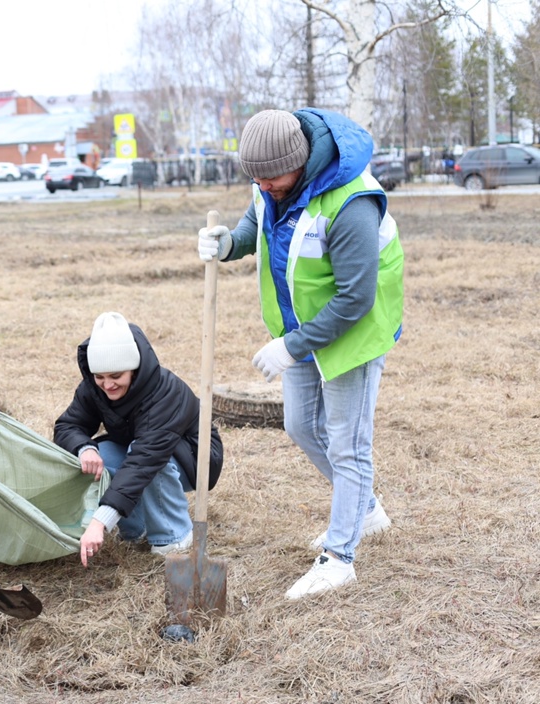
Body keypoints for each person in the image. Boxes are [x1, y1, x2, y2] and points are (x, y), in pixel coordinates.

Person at [197, 108, 404, 600]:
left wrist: (291, 347)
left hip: (354, 331)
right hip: (303, 327)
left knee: (348, 444)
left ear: (301, 161)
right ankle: (366, 509)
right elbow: (255, 226)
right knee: (300, 425)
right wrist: (227, 243)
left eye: (271, 177)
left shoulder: (351, 203)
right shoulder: (271, 186)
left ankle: (339, 558)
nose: (264, 187)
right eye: (256, 178)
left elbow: (355, 298)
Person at [53, 312, 223, 568]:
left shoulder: (166, 392)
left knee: (145, 457)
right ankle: (136, 529)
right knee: (101, 453)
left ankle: (174, 536)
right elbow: (68, 425)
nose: (107, 385)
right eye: (100, 377)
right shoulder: (93, 387)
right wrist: (83, 448)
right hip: (138, 451)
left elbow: (145, 459)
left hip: (194, 460)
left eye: (115, 377)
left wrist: (100, 522)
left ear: (134, 369)